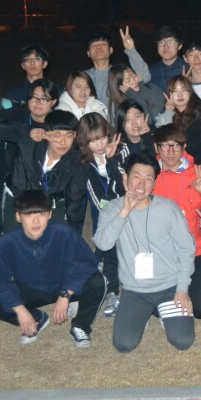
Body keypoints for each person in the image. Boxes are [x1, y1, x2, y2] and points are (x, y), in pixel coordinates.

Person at [94, 153, 196, 353]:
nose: (141, 184)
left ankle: (162, 313)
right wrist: (124, 212)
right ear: (125, 178)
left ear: (154, 183)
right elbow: (103, 244)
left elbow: (186, 248)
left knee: (183, 341)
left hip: (169, 286)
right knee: (124, 344)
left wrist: (182, 289)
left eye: (148, 178)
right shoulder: (112, 209)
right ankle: (143, 314)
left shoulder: (168, 208)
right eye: (136, 177)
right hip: (134, 289)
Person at [0, 189, 105, 347]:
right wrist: (20, 310)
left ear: (49, 214)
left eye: (41, 214)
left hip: (63, 285)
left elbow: (86, 263)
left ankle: (80, 326)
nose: (36, 221)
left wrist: (66, 293)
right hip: (32, 289)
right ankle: (38, 318)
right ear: (18, 217)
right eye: (29, 215)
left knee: (98, 281)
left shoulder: (64, 233)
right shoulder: (6, 243)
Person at [151, 124, 201, 320]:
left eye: (176, 145)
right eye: (164, 145)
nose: (170, 152)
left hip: (195, 250)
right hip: (162, 252)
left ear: (184, 147)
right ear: (156, 148)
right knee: (154, 306)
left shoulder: (198, 174)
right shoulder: (149, 176)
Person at [0, 109, 88, 235]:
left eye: (69, 135)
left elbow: (74, 203)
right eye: (57, 135)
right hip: (18, 196)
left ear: (75, 135)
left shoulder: (76, 162)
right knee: (14, 238)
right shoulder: (30, 144)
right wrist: (29, 131)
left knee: (55, 238)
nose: (63, 142)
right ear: (46, 133)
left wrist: (72, 236)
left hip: (51, 202)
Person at [75, 112, 128, 316]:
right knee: (109, 246)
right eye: (93, 140)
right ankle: (112, 291)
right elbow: (93, 193)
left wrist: (111, 160)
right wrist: (111, 217)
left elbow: (124, 187)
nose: (99, 144)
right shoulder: (84, 161)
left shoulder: (121, 150)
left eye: (102, 137)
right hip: (103, 210)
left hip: (128, 203)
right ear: (84, 141)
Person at [148, 24, 186, 91]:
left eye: (170, 42)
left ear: (179, 46)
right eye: (161, 42)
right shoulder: (150, 72)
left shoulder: (188, 68)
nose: (165, 46)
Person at [84, 31, 116, 107]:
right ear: (88, 53)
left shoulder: (121, 73)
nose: (98, 47)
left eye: (103, 44)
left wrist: (131, 50)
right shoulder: (82, 76)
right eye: (93, 45)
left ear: (111, 50)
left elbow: (144, 79)